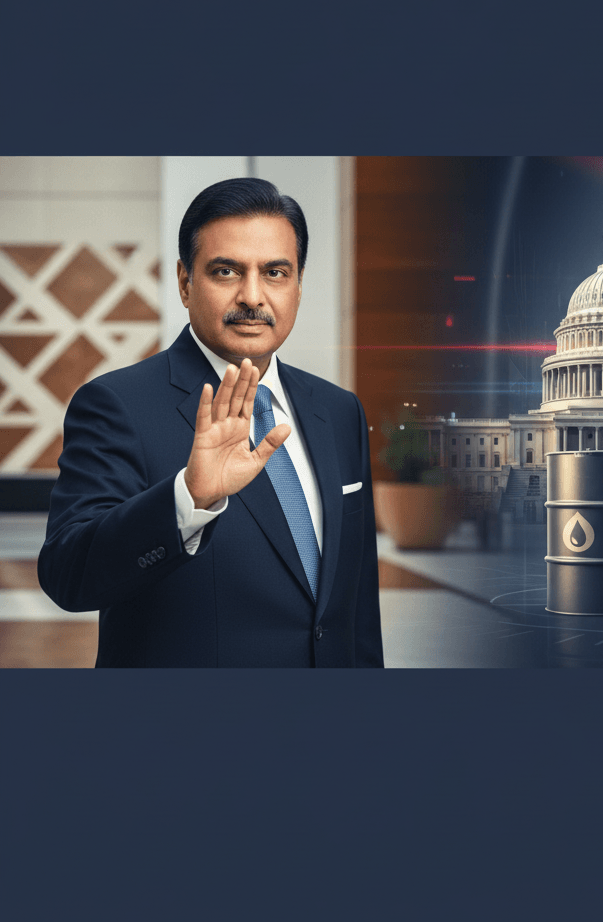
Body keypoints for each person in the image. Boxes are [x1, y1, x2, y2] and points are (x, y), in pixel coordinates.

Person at [38, 178, 384, 667]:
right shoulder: (117, 405)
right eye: (226, 271)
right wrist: (189, 499)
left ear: (299, 285)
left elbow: (356, 612)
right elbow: (68, 576)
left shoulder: (339, 410)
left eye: (276, 272)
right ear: (185, 282)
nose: (252, 296)